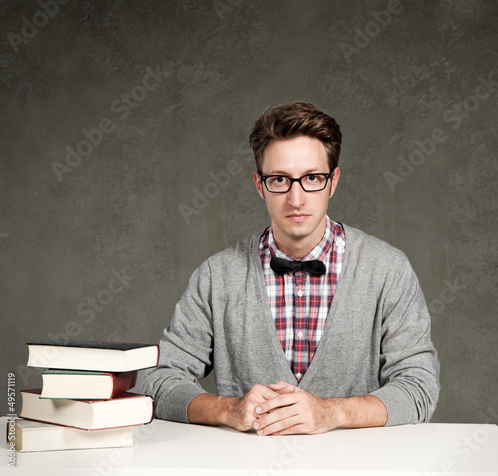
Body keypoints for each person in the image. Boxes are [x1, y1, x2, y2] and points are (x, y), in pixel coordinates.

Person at [142, 101, 440, 436]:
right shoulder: (217, 276)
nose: (296, 199)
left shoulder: (388, 270)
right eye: (280, 180)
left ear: (333, 181)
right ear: (259, 185)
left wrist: (331, 412)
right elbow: (157, 379)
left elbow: (419, 389)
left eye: (312, 178)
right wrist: (229, 409)